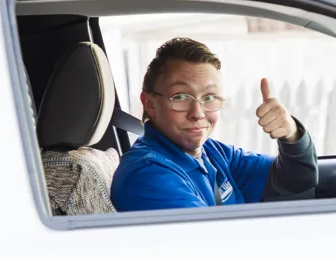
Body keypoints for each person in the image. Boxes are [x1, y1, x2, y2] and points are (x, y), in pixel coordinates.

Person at [110, 37, 318, 211]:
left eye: (209, 97)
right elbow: (216, 246)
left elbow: (296, 181)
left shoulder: (214, 153)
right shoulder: (147, 176)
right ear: (150, 104)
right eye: (181, 97)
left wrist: (291, 134)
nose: (197, 113)